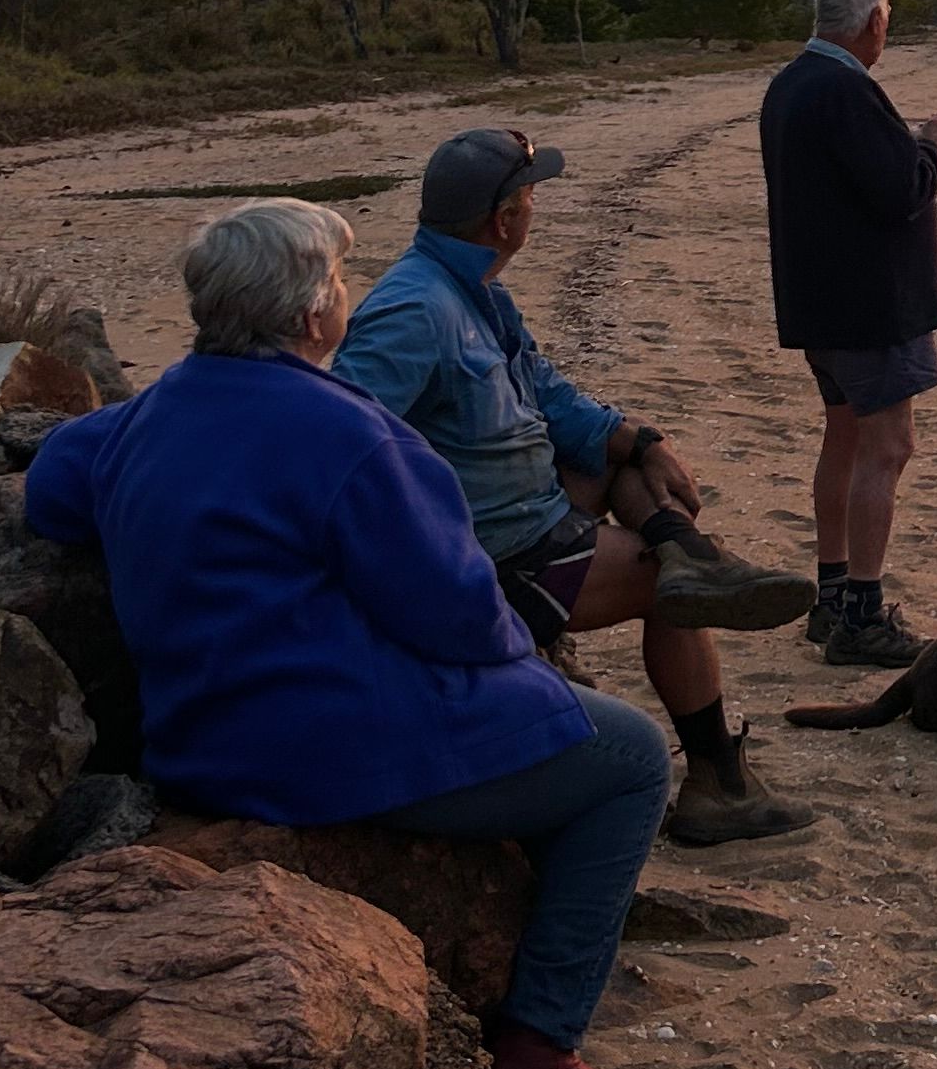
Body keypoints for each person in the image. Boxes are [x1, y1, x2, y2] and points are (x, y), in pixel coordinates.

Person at [25, 199, 664, 1069]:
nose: (345, 295)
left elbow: (49, 491)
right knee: (631, 757)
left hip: (194, 742)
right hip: (329, 751)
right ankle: (539, 1047)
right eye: (338, 279)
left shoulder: (147, 415)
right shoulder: (353, 437)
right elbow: (457, 612)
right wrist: (521, 662)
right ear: (315, 312)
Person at [334, 124, 815, 849]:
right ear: (504, 221)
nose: (536, 208)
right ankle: (718, 782)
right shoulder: (414, 312)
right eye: (531, 198)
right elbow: (339, 438)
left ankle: (688, 552)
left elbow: (549, 394)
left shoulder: (473, 291)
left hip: (527, 509)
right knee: (666, 590)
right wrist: (426, 550)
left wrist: (644, 439)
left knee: (623, 461)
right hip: (498, 556)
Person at [758, 0, 937, 670]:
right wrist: (929, 146)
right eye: (887, 18)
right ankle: (862, 616)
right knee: (888, 446)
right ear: (873, 21)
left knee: (843, 438)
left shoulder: (791, 83)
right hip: (869, 306)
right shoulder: (844, 89)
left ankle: (833, 595)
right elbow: (900, 191)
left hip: (820, 302)